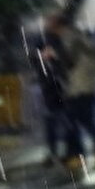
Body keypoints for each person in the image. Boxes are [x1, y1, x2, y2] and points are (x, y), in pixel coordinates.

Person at [59, 17, 95, 170]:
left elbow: (68, 64)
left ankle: (79, 157)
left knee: (75, 124)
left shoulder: (75, 47)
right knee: (89, 123)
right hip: (90, 91)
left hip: (77, 91)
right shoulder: (93, 49)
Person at [34, 14, 72, 167]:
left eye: (51, 22)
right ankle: (53, 152)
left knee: (66, 120)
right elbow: (33, 56)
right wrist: (41, 56)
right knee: (51, 120)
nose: (48, 24)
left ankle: (69, 152)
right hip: (49, 86)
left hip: (64, 85)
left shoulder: (65, 39)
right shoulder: (43, 40)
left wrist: (56, 56)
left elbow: (71, 59)